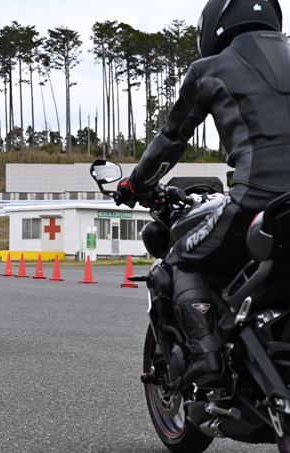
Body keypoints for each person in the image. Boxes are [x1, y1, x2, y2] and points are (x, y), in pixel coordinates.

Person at [115, 0, 285, 389]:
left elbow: (172, 139)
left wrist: (135, 184)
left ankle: (207, 355)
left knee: (177, 261)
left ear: (216, 25)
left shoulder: (210, 69)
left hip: (258, 201)